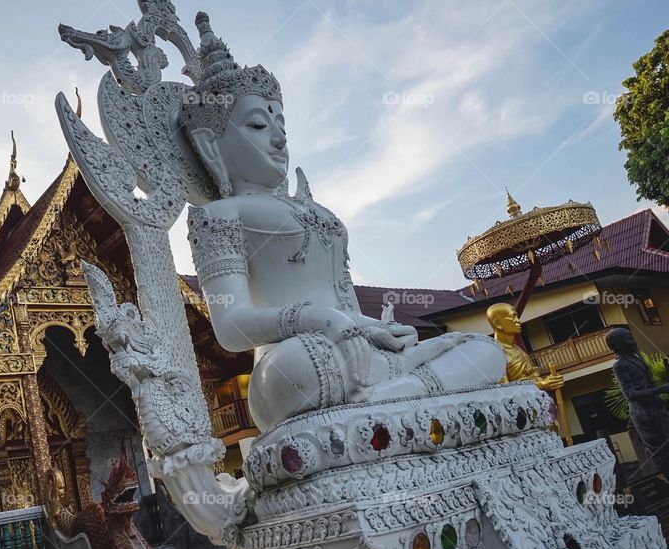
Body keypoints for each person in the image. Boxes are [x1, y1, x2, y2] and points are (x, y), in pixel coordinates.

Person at [182, 12, 505, 430]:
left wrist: (379, 329)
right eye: (259, 125)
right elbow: (230, 326)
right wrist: (320, 320)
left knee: (483, 349)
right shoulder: (218, 216)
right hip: (301, 361)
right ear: (211, 144)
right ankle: (403, 395)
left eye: (281, 123)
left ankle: (397, 396)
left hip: (365, 351)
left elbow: (344, 303)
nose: (279, 138)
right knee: (298, 369)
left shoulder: (319, 214)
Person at [606, 327, 669, 476]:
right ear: (619, 345)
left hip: (656, 407)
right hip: (644, 413)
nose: (633, 341)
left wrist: (660, 399)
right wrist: (662, 389)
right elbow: (631, 394)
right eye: (629, 339)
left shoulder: (636, 358)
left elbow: (650, 382)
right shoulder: (619, 365)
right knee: (660, 450)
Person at [487, 303, 564, 391]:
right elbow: (506, 391)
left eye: (517, 316)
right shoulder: (496, 354)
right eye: (512, 317)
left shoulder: (515, 348)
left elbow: (529, 378)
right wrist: (540, 385)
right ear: (498, 323)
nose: (518, 320)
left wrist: (551, 381)